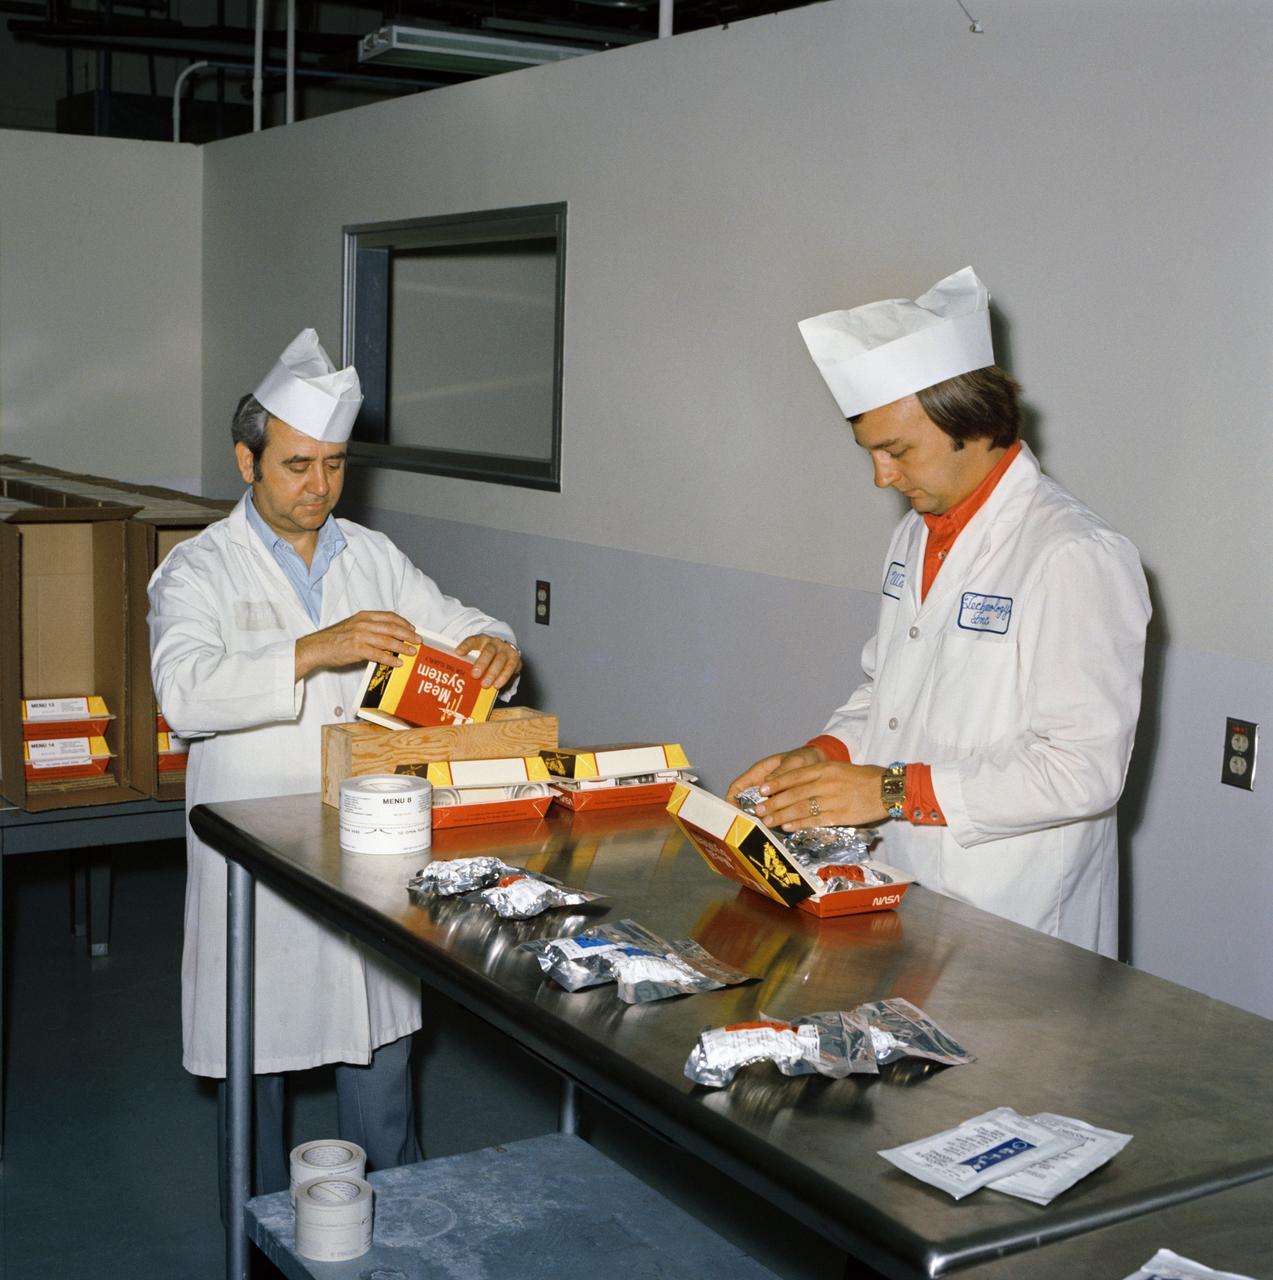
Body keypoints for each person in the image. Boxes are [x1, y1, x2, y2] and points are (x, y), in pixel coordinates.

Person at [149, 328, 521, 1195]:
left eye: (335, 466)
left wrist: (491, 645)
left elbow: (464, 622)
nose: (318, 487)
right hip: (256, 851)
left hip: (367, 844)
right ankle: (254, 1238)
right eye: (296, 465)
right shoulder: (195, 569)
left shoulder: (372, 556)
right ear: (247, 461)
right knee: (257, 1072)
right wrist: (316, 647)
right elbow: (186, 694)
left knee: (379, 1064)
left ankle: (398, 1235)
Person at [728, 267, 1149, 956]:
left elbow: (1083, 769)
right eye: (870, 454)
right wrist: (823, 759)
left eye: (896, 452)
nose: (880, 478)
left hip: (1016, 915)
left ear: (973, 427)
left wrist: (889, 789)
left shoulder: (1073, 555)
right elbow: (888, 691)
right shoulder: (916, 533)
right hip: (907, 881)